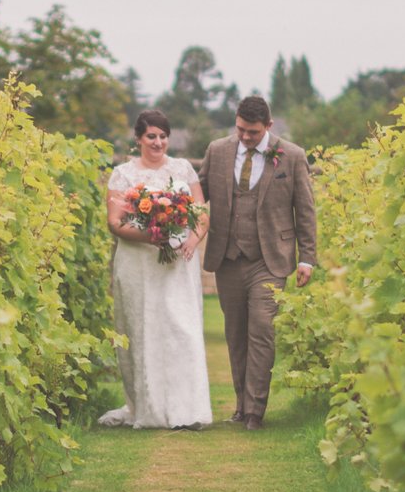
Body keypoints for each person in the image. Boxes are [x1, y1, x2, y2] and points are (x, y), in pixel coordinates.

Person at [200, 94, 317, 431]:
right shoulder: (217, 151)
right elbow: (199, 194)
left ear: (268, 126)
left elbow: (305, 210)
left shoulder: (292, 156)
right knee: (235, 333)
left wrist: (307, 257)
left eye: (252, 132)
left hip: (270, 258)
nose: (245, 137)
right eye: (240, 130)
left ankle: (255, 410)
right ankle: (240, 405)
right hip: (227, 256)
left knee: (263, 329)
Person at [97, 109, 213, 430]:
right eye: (151, 136)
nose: (158, 142)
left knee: (181, 329)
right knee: (145, 329)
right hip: (138, 263)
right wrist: (153, 236)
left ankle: (187, 411)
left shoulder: (183, 169)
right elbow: (115, 223)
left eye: (163, 136)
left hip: (178, 264)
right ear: (138, 139)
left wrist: (192, 239)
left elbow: (200, 211)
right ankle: (149, 407)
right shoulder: (122, 174)